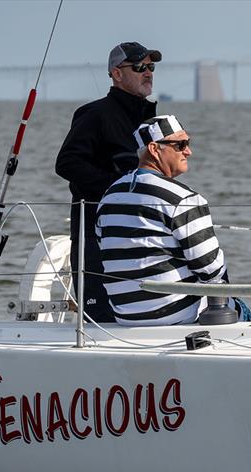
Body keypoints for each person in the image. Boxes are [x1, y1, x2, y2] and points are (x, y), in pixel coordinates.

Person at [96, 115, 249, 326]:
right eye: (180, 145)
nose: (188, 151)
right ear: (154, 148)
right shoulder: (183, 198)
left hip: (125, 316)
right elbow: (211, 268)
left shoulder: (108, 197)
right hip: (176, 315)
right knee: (240, 309)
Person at [56, 42, 161, 322]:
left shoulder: (150, 118)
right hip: (95, 233)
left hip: (141, 235)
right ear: (116, 73)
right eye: (139, 67)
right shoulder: (95, 114)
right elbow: (67, 163)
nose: (148, 72)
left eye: (151, 67)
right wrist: (117, 191)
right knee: (99, 318)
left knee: (139, 314)